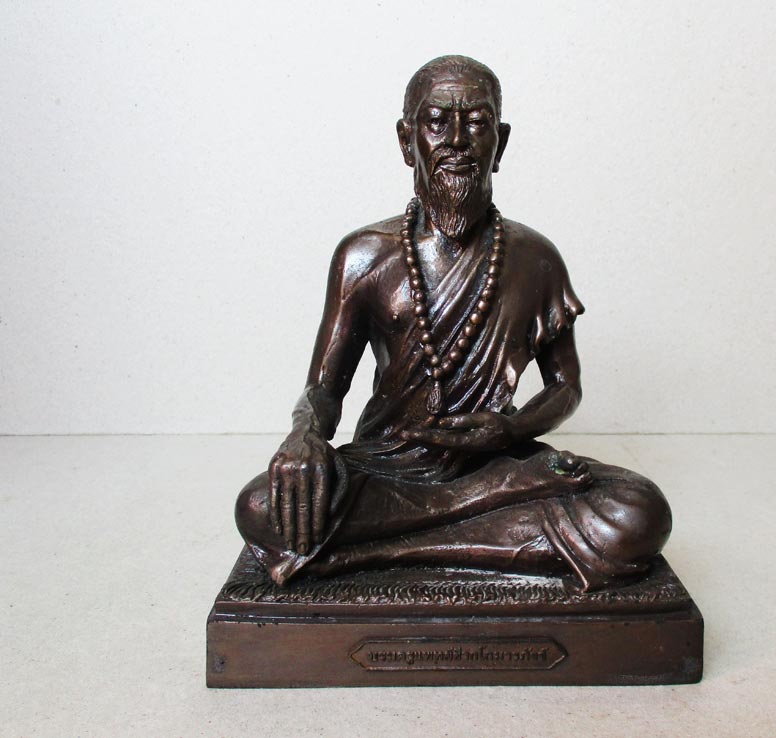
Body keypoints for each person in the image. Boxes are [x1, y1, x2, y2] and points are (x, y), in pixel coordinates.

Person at [235, 56, 671, 591]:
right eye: (437, 122)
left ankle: (373, 554)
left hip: (495, 459)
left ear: (500, 143)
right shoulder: (364, 255)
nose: (458, 141)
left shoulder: (535, 257)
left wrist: (512, 430)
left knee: (638, 512)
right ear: (406, 140)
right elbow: (324, 388)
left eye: (477, 123)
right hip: (391, 468)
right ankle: (480, 515)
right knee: (262, 506)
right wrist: (303, 435)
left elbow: (565, 387)